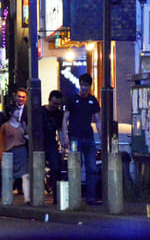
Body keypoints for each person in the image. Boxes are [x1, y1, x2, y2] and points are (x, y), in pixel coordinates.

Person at [62, 73, 102, 205]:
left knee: (92, 167)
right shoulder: (72, 100)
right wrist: (65, 136)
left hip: (89, 138)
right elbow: (65, 118)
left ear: (90, 86)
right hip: (74, 138)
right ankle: (74, 196)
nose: (84, 88)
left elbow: (97, 120)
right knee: (74, 166)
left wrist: (101, 137)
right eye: (82, 85)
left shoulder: (93, 101)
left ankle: (91, 197)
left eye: (86, 85)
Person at [0, 105, 30, 205]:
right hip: (9, 153)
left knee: (25, 175)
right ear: (11, 113)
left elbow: (28, 136)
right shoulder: (5, 126)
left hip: (22, 151)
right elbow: (1, 142)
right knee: (9, 176)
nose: (18, 113)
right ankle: (7, 197)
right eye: (16, 111)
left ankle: (27, 198)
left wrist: (27, 137)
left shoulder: (23, 125)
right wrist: (1, 156)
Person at [42, 90, 64, 204]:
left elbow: (60, 130)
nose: (55, 106)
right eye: (54, 104)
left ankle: (56, 196)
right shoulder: (41, 111)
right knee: (39, 169)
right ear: (49, 100)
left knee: (55, 168)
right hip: (40, 142)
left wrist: (63, 145)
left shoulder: (59, 114)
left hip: (51, 142)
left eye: (57, 104)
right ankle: (39, 195)